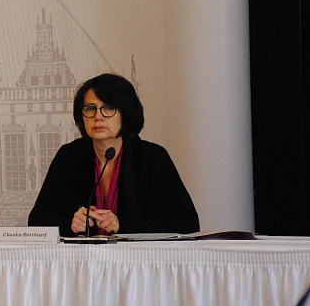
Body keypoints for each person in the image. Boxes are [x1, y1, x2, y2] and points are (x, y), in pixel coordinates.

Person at [28, 73, 199, 236]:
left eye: (108, 108)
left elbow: (187, 222)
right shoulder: (69, 156)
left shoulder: (152, 157)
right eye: (90, 108)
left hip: (138, 262)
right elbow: (36, 221)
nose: (98, 117)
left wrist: (122, 224)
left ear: (126, 114)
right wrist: (70, 224)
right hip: (83, 262)